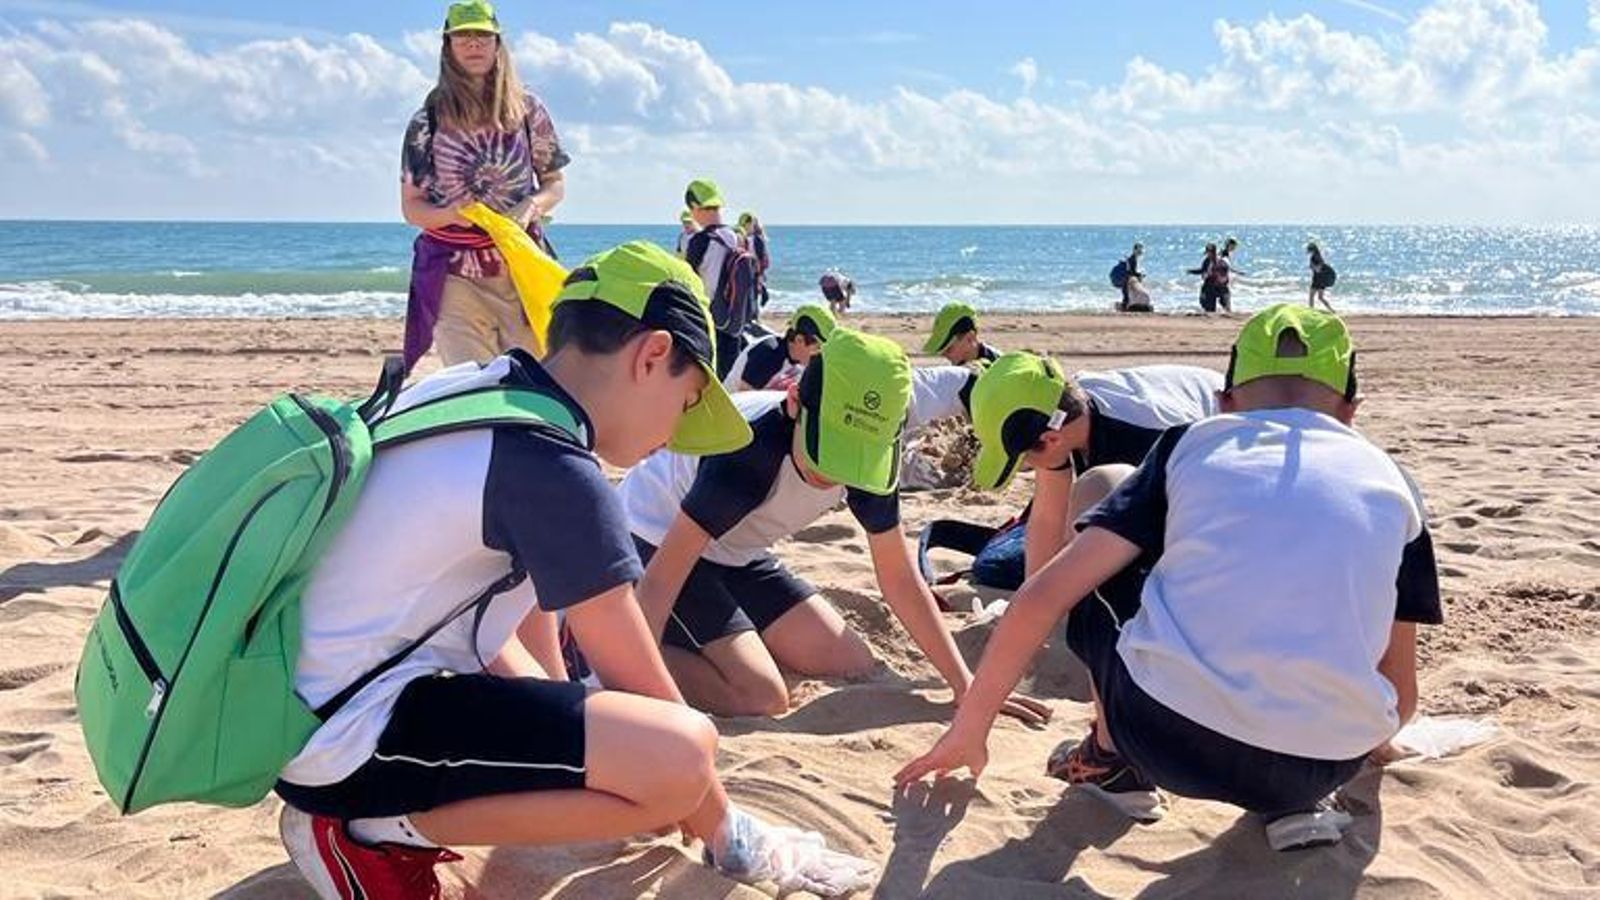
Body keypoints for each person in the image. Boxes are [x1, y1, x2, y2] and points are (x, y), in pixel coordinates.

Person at [276, 241, 876, 899]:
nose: (676, 432)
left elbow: (503, 623)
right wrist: (734, 840)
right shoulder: (554, 465)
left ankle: (378, 813)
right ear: (652, 356)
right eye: (687, 399)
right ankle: (370, 831)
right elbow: (652, 701)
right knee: (680, 758)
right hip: (345, 737)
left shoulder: (481, 392)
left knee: (629, 752)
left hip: (296, 709)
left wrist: (571, 734)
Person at [897, 305, 1442, 853]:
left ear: (1226, 401)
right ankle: (1294, 808)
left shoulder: (1189, 441)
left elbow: (1041, 594)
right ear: (1351, 409)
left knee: (1096, 568)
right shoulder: (1399, 489)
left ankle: (1111, 763)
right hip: (1321, 768)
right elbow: (1402, 691)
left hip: (1163, 743)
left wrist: (970, 729)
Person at [620, 328, 1052, 724]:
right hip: (653, 538)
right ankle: (599, 648)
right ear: (793, 401)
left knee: (848, 661)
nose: (836, 474)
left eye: (852, 457)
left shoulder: (869, 461)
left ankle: (716, 639)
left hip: (737, 553)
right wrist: (631, 687)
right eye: (828, 451)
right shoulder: (744, 452)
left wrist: (965, 685)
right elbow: (660, 585)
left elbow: (899, 579)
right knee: (760, 696)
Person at [399, 0, 570, 374]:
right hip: (454, 279)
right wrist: (451, 216)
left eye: (482, 35)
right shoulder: (427, 119)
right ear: (448, 46)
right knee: (472, 386)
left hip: (521, 271)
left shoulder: (528, 110)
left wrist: (530, 207)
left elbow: (555, 184)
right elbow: (412, 207)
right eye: (463, 36)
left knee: (535, 385)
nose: (473, 44)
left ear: (497, 44)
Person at [682, 178, 746, 379]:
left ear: (695, 207)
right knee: (728, 377)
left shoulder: (700, 241)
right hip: (734, 317)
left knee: (709, 377)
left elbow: (688, 281)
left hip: (709, 318)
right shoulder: (736, 236)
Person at [723, 304, 835, 392]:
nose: (822, 355)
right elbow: (743, 403)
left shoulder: (798, 360)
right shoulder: (768, 354)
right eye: (819, 348)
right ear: (799, 340)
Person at [923, 302, 1000, 365]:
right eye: (941, 349)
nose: (944, 354)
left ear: (970, 338)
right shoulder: (959, 368)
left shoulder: (998, 367)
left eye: (949, 349)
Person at [1116, 243, 1146, 312]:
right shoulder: (1133, 259)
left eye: (1141, 250)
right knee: (1127, 297)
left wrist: (1138, 275)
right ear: (1135, 250)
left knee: (1127, 297)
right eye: (1139, 250)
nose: (1141, 252)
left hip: (1126, 280)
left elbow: (1131, 271)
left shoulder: (1133, 258)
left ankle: (1123, 309)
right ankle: (1123, 309)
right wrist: (1139, 275)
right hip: (1126, 280)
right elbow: (1130, 272)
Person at [1308, 241, 1337, 312]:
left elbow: (1318, 269)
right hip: (1322, 280)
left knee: (1311, 296)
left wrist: (1312, 266)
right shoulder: (1319, 256)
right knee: (1320, 297)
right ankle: (1331, 310)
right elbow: (1321, 267)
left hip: (1317, 280)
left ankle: (1311, 311)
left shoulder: (1314, 257)